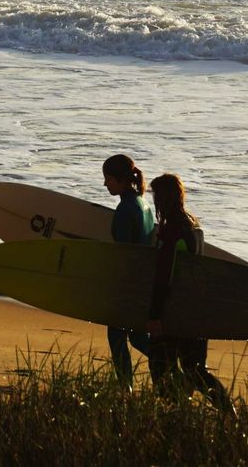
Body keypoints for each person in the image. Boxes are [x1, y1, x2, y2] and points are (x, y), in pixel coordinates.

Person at [147, 173, 233, 413]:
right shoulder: (193, 226)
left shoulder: (171, 232)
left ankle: (172, 409)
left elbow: (164, 277)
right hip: (196, 309)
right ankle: (228, 411)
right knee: (194, 369)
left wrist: (155, 315)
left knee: (160, 364)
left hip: (175, 311)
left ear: (162, 199)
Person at [101, 153, 154, 388]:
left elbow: (124, 254)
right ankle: (172, 367)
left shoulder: (125, 209)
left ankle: (125, 388)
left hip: (130, 284)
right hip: (144, 282)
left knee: (117, 335)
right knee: (139, 337)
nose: (105, 184)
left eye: (108, 178)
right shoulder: (144, 204)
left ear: (121, 178)